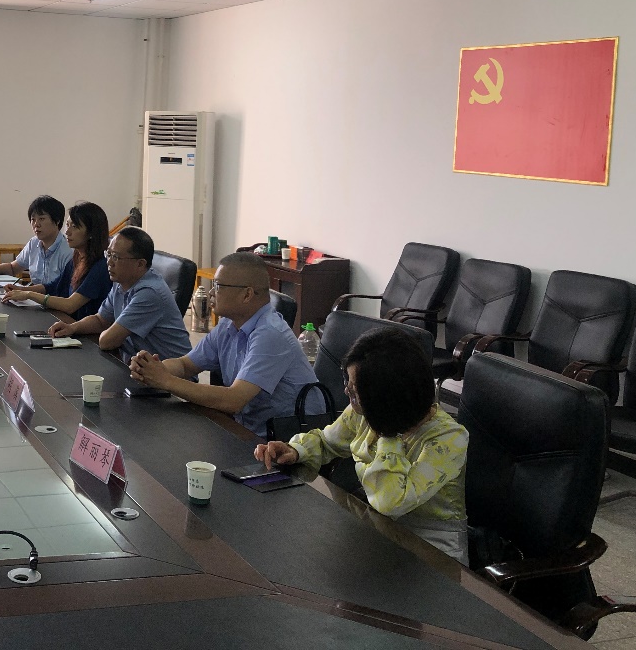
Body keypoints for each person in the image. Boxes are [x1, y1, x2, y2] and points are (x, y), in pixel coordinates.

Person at [254, 327, 469, 563]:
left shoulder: (449, 438)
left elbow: (390, 501)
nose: (346, 391)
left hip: (432, 554)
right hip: (376, 533)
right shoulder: (364, 411)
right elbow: (327, 442)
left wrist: (387, 432)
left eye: (355, 390)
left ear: (385, 398)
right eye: (348, 382)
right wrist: (295, 450)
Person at [128, 251, 322, 434]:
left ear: (247, 294)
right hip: (250, 429)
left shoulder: (271, 334)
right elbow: (186, 365)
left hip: (289, 439)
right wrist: (152, 369)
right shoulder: (228, 324)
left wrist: (166, 381)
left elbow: (234, 400)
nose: (211, 292)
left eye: (218, 286)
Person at [47, 227, 191, 361]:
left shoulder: (150, 293)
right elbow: (100, 320)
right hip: (137, 365)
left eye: (116, 257)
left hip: (169, 373)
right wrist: (72, 327)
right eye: (108, 254)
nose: (109, 262)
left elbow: (107, 341)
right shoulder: (121, 281)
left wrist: (106, 333)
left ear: (140, 264)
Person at [2, 201, 111, 318]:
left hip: (82, 326)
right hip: (69, 321)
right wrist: (21, 289)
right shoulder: (78, 257)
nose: (67, 232)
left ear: (91, 232)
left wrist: (29, 294)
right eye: (68, 225)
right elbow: (53, 287)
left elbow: (70, 305)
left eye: (74, 226)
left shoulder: (100, 266)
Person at [0, 195, 73, 285]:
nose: (36, 224)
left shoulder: (68, 251)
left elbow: (65, 290)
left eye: (41, 219)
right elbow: (13, 268)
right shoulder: (34, 243)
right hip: (35, 294)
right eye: (33, 219)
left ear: (57, 221)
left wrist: (27, 292)